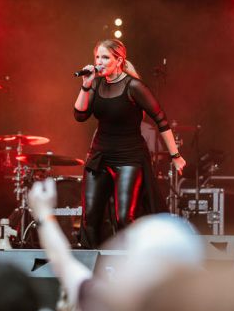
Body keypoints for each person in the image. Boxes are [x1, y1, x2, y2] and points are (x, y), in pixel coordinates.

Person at [74, 39, 186, 247]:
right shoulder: (96, 83)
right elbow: (80, 115)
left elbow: (161, 120)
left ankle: (131, 261)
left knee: (125, 217)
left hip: (129, 157)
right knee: (89, 217)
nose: (99, 62)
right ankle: (90, 264)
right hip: (99, 156)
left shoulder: (134, 86)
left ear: (119, 61)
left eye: (105, 57)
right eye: (97, 57)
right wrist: (85, 85)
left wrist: (175, 155)